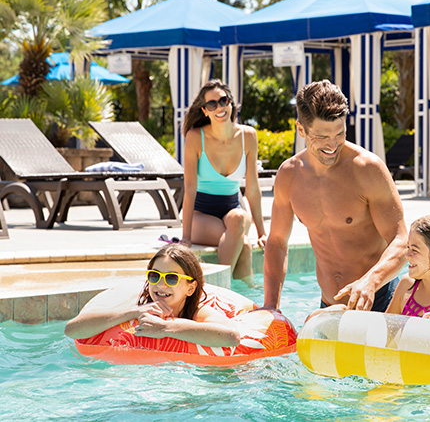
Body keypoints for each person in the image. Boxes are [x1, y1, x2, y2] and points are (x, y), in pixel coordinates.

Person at [263, 79, 408, 313]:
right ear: (301, 129)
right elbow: (277, 242)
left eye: (339, 133)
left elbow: (401, 240)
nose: (332, 145)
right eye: (321, 137)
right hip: (328, 306)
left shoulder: (367, 169)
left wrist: (371, 280)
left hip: (378, 301)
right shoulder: (289, 175)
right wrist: (271, 306)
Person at [65, 244, 241, 346]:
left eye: (171, 278)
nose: (160, 284)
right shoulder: (138, 303)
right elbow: (72, 330)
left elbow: (231, 337)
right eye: (155, 275)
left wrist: (165, 328)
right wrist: (133, 312)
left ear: (191, 287)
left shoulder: (198, 313)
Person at [180, 79, 267, 287]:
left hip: (232, 210)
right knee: (243, 244)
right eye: (212, 104)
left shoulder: (248, 136)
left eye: (223, 100)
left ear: (231, 103)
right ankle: (242, 289)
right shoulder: (195, 137)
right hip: (201, 214)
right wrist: (185, 237)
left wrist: (262, 232)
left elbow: (253, 188)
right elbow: (190, 189)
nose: (219, 107)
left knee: (238, 219)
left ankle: (227, 291)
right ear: (205, 111)